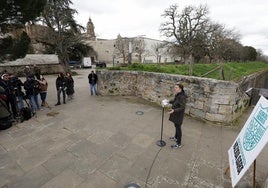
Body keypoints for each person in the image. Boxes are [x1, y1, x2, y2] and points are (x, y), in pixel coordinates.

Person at [168, 83, 186, 149]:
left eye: (176, 87)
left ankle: (179, 143)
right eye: (175, 87)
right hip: (176, 114)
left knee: (178, 128)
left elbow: (182, 107)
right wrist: (168, 101)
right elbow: (175, 101)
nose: (174, 89)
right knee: (176, 125)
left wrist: (174, 111)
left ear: (180, 89)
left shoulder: (182, 97)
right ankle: (175, 137)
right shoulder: (178, 95)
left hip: (178, 115)